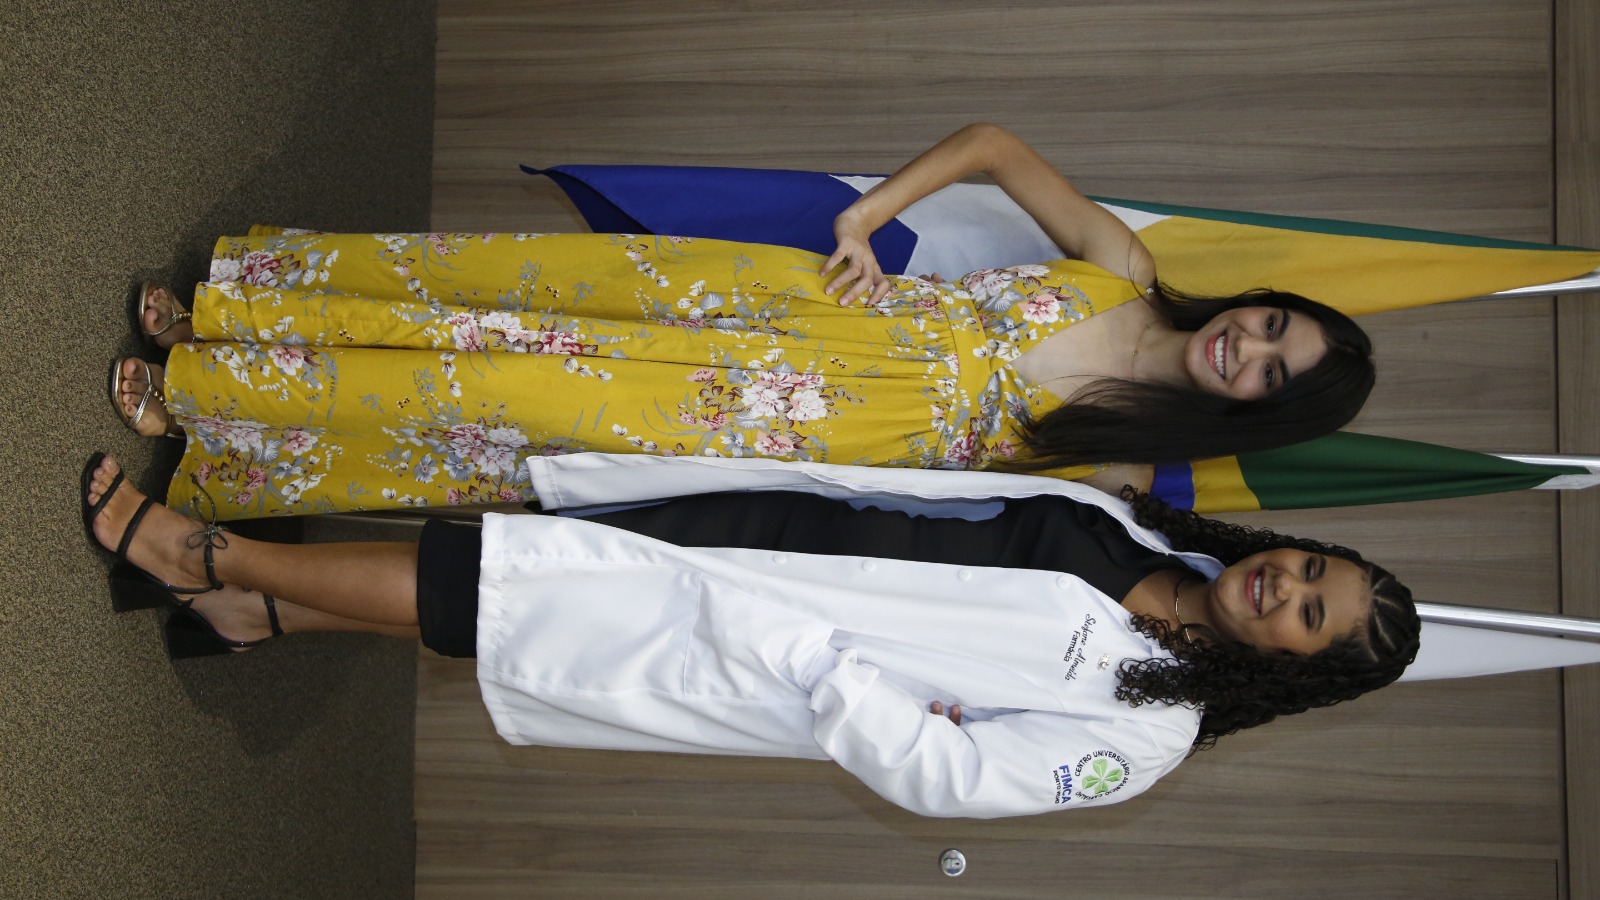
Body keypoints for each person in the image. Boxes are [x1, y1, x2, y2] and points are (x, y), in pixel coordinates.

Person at [115, 123, 1374, 520]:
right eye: (1272, 326)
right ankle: (233, 316)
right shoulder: (1121, 266)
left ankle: (215, 406)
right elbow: (994, 146)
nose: (1248, 349)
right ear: (1257, 303)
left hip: (770, 424)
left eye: (1271, 374)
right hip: (782, 301)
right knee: (509, 294)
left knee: (499, 403)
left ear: (1257, 410)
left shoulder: (1124, 462)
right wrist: (865, 217)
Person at [82, 451, 1420, 819]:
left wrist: (814, 665)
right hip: (779, 525)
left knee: (487, 587)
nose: (1285, 589)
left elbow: (949, 776)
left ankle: (203, 553)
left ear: (1297, 670)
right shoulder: (1143, 534)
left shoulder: (1146, 735)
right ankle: (261, 610)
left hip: (773, 632)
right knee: (513, 573)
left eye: (1311, 616)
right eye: (1311, 569)